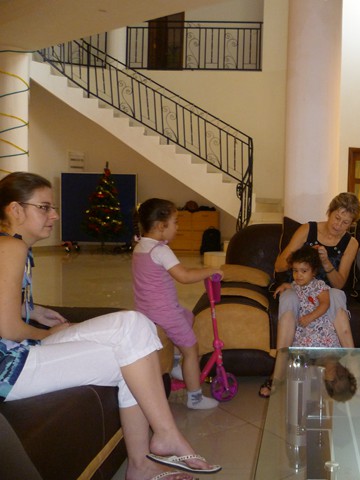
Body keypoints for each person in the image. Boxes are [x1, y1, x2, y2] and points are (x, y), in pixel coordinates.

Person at [0, 172, 220, 480]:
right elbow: (8, 329)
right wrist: (47, 333)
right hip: (11, 367)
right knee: (133, 324)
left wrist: (34, 311)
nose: (55, 215)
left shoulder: (12, 246)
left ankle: (142, 464)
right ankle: (165, 436)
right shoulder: (11, 247)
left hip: (16, 359)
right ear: (15, 210)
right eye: (45, 207)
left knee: (134, 355)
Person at [259, 192, 360, 398]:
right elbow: (279, 265)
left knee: (337, 294)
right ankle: (277, 374)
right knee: (288, 298)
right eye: (337, 218)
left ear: (351, 224)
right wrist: (303, 259)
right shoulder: (308, 229)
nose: (338, 225)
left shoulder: (351, 243)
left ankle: (355, 370)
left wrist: (326, 262)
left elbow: (340, 282)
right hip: (296, 287)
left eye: (345, 222)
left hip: (326, 291)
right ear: (329, 212)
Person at [132, 198, 223, 410]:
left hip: (146, 310)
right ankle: (195, 397)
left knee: (188, 316)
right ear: (161, 226)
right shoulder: (161, 250)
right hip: (165, 312)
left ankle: (173, 362)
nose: (177, 227)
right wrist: (211, 270)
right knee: (191, 350)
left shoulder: (140, 247)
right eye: (175, 222)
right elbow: (184, 276)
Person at [285, 245, 342, 348]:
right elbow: (290, 286)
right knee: (302, 350)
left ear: (314, 272)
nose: (298, 275)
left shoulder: (318, 285)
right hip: (304, 328)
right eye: (295, 270)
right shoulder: (296, 285)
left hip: (319, 326)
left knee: (323, 353)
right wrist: (283, 286)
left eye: (304, 271)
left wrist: (310, 317)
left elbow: (325, 304)